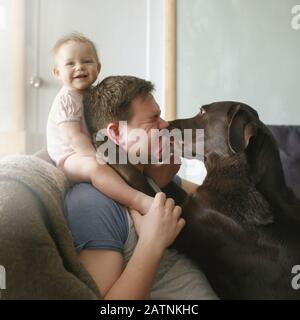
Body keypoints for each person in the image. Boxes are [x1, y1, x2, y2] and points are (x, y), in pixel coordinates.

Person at [64, 75, 218, 300]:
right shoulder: (93, 203)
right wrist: (152, 243)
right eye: (153, 119)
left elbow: (210, 198)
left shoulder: (146, 181)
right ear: (115, 133)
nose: (165, 125)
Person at [46, 33, 154, 215]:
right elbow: (74, 137)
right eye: (70, 63)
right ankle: (138, 200)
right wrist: (96, 156)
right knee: (97, 168)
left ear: (98, 67)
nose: (79, 67)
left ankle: (148, 188)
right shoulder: (66, 99)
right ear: (57, 72)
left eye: (87, 61)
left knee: (128, 158)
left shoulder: (93, 94)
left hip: (92, 146)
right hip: (70, 156)